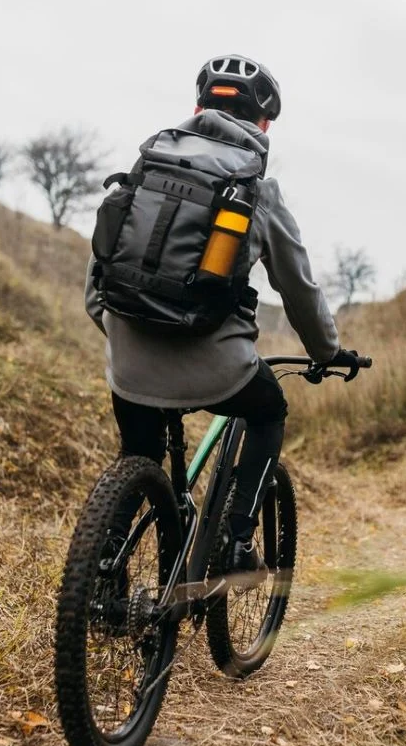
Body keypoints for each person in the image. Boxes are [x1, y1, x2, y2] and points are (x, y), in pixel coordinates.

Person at [85, 54, 358, 573]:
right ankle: (235, 543)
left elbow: (99, 274)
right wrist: (326, 351)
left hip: (128, 360)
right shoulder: (259, 189)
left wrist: (127, 333)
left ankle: (100, 567)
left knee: (137, 453)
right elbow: (298, 288)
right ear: (264, 124)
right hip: (215, 367)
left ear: (197, 107)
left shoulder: (148, 167)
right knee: (268, 411)